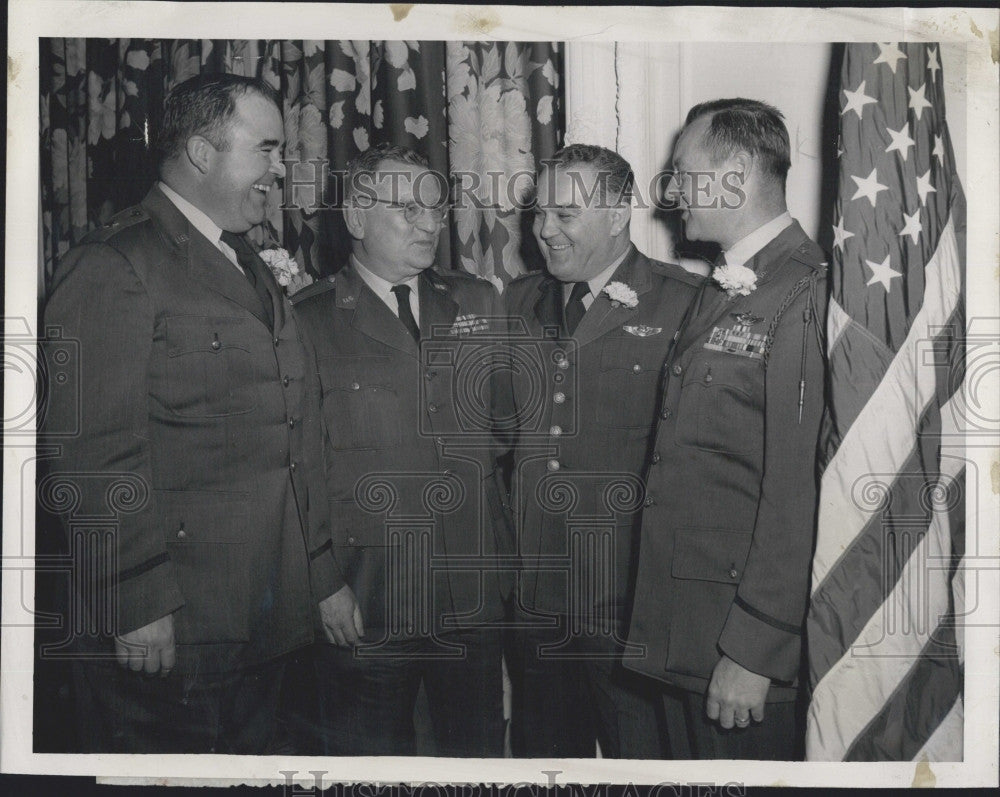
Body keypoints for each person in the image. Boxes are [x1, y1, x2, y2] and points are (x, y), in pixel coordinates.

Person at [39, 74, 344, 753]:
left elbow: (293, 431)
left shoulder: (243, 258)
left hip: (261, 614)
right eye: (266, 150)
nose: (280, 169)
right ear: (204, 155)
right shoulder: (116, 262)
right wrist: (135, 599)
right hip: (172, 622)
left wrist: (317, 577)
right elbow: (90, 452)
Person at [291, 143, 512, 757]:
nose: (428, 223)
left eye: (435, 210)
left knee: (477, 761)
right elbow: (300, 466)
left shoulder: (477, 303)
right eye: (407, 209)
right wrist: (322, 583)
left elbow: (504, 438)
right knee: (371, 764)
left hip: (470, 595)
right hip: (368, 596)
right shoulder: (305, 321)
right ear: (356, 219)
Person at [625, 99, 828, 759]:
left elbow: (797, 488)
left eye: (682, 173)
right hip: (690, 630)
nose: (671, 193)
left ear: (734, 174)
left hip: (738, 651)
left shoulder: (803, 293)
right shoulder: (727, 286)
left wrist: (755, 647)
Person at [503, 144, 703, 758]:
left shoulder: (685, 301)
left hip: (626, 600)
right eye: (540, 213)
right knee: (545, 763)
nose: (544, 231)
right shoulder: (515, 302)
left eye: (566, 215)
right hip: (535, 594)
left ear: (619, 214)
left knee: (638, 761)